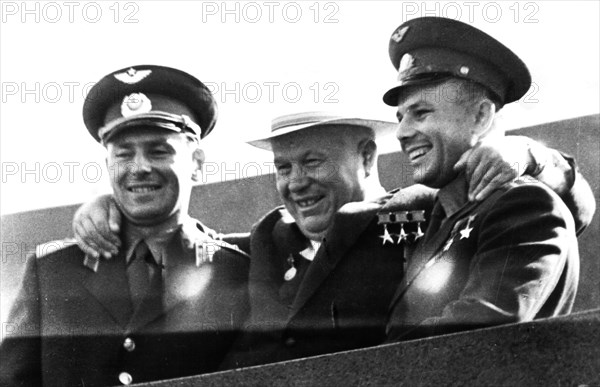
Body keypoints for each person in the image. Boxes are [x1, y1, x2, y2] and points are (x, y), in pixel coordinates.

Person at [70, 109, 592, 369]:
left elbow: (560, 211)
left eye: (313, 161)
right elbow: (186, 239)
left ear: (367, 158)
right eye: (283, 167)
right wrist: (109, 207)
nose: (296, 182)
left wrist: (533, 156)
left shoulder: (419, 215)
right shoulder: (264, 240)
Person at [0, 65, 250, 386]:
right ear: (108, 165)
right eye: (124, 154)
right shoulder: (51, 272)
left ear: (197, 163)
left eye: (159, 151)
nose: (140, 167)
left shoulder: (237, 271)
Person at [382, 17, 587, 342]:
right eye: (401, 117)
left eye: (421, 113)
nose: (402, 132)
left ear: (480, 116)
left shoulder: (524, 206)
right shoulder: (435, 216)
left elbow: (473, 338)